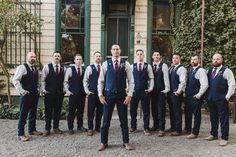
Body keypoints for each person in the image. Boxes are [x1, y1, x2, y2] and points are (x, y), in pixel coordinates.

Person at [97, 44, 134, 151]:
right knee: (106, 121)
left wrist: (130, 95)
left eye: (117, 49)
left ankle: (126, 142)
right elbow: (101, 81)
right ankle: (104, 142)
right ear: (111, 51)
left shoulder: (125, 64)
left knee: (124, 121)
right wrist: (100, 94)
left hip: (122, 96)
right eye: (114, 49)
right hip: (108, 96)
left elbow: (131, 81)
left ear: (120, 51)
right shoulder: (105, 64)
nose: (116, 51)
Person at [205, 52, 236, 146]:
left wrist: (227, 96)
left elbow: (232, 84)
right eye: (214, 59)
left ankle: (224, 137)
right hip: (211, 98)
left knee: (224, 118)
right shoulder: (209, 70)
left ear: (221, 60)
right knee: (213, 117)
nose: (215, 60)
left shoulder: (226, 71)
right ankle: (213, 134)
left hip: (222, 99)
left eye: (218, 59)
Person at [12, 52, 43, 142]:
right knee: (23, 114)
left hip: (34, 95)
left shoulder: (35, 68)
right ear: (27, 57)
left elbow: (37, 81)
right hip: (26, 95)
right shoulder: (22, 67)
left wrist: (38, 90)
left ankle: (32, 130)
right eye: (31, 57)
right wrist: (22, 91)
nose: (33, 58)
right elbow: (15, 80)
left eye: (34, 57)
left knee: (33, 113)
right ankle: (21, 134)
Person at [129, 49, 154, 136]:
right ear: (136, 56)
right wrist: (129, 89)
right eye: (138, 54)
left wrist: (150, 88)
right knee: (133, 110)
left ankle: (146, 128)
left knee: (146, 110)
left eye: (141, 54)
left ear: (143, 55)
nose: (140, 56)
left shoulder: (148, 66)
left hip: (144, 91)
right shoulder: (132, 66)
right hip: (134, 91)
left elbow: (151, 78)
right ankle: (133, 127)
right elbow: (128, 79)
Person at [41, 52, 65, 136]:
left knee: (57, 111)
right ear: (52, 57)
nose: (57, 57)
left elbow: (64, 81)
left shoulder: (63, 68)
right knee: (48, 111)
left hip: (59, 93)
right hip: (49, 93)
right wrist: (43, 89)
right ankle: (47, 129)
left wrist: (64, 90)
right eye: (55, 56)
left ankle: (56, 127)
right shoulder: (47, 67)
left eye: (58, 56)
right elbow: (43, 79)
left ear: (60, 58)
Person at [185, 54, 208, 139]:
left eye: (195, 59)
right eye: (192, 59)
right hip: (188, 95)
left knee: (196, 114)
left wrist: (198, 95)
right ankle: (187, 129)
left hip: (195, 96)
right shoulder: (191, 70)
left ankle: (195, 132)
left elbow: (205, 84)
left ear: (198, 60)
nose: (193, 61)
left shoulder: (201, 70)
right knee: (188, 113)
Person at [64, 54, 87, 135]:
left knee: (80, 111)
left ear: (82, 61)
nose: (79, 61)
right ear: (74, 60)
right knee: (71, 112)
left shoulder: (84, 70)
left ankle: (80, 126)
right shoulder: (70, 69)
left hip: (81, 94)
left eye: (80, 59)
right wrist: (67, 91)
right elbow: (65, 81)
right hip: (73, 94)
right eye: (77, 59)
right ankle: (70, 128)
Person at [150, 50, 170, 137]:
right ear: (152, 57)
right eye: (155, 55)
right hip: (152, 91)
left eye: (158, 55)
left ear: (160, 57)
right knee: (154, 109)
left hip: (161, 91)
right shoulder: (150, 66)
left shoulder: (164, 65)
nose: (156, 56)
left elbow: (166, 77)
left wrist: (166, 89)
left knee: (161, 110)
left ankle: (162, 129)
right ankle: (156, 125)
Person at [83, 51, 103, 136]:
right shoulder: (89, 68)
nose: (98, 57)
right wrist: (87, 91)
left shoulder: (103, 67)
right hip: (92, 93)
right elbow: (85, 80)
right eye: (96, 56)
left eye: (99, 56)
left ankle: (98, 127)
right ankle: (90, 128)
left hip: (102, 94)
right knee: (90, 112)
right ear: (94, 58)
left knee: (100, 111)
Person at [167, 53, 187, 136]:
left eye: (176, 58)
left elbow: (183, 82)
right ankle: (173, 127)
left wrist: (178, 92)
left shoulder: (181, 69)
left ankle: (178, 130)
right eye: (173, 58)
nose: (174, 59)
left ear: (179, 59)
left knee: (177, 111)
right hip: (170, 92)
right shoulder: (171, 68)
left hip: (176, 93)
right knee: (171, 110)